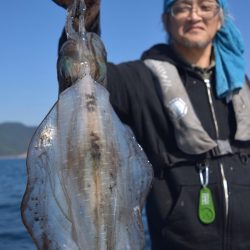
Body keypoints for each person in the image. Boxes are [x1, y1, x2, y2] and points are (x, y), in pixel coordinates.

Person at [53, 0, 250, 249]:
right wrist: (85, 12)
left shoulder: (241, 87)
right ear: (166, 20)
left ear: (220, 18)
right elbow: (83, 78)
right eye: (182, 7)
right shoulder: (141, 79)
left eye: (205, 6)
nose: (194, 15)